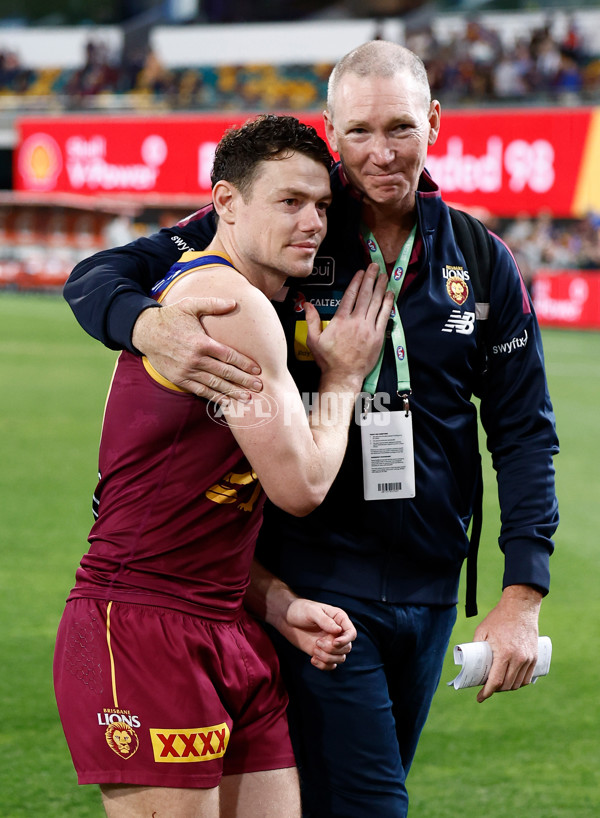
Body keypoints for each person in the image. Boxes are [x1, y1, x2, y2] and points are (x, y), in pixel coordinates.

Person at [63, 42, 560, 818]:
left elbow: (524, 430)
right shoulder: (293, 219)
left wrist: (522, 594)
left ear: (433, 121)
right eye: (358, 132)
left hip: (430, 591)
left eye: (400, 127)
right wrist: (146, 326)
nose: (381, 153)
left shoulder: (481, 258)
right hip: (314, 582)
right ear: (330, 129)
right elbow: (98, 276)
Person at [54, 114, 393, 818]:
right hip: (143, 626)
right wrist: (343, 380)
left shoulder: (254, 299)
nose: (312, 223)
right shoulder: (230, 301)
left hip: (227, 624)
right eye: (289, 202)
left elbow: (206, 505)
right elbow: (299, 487)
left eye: (323, 205)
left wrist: (277, 605)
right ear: (227, 205)